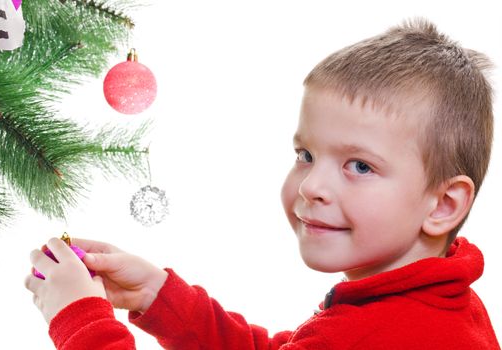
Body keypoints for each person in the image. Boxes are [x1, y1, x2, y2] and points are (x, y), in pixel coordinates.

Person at [25, 18, 501, 349]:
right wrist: (158, 295)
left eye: (359, 166)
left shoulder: (375, 336)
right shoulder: (435, 304)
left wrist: (80, 320)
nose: (311, 185)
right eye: (306, 155)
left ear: (443, 204)